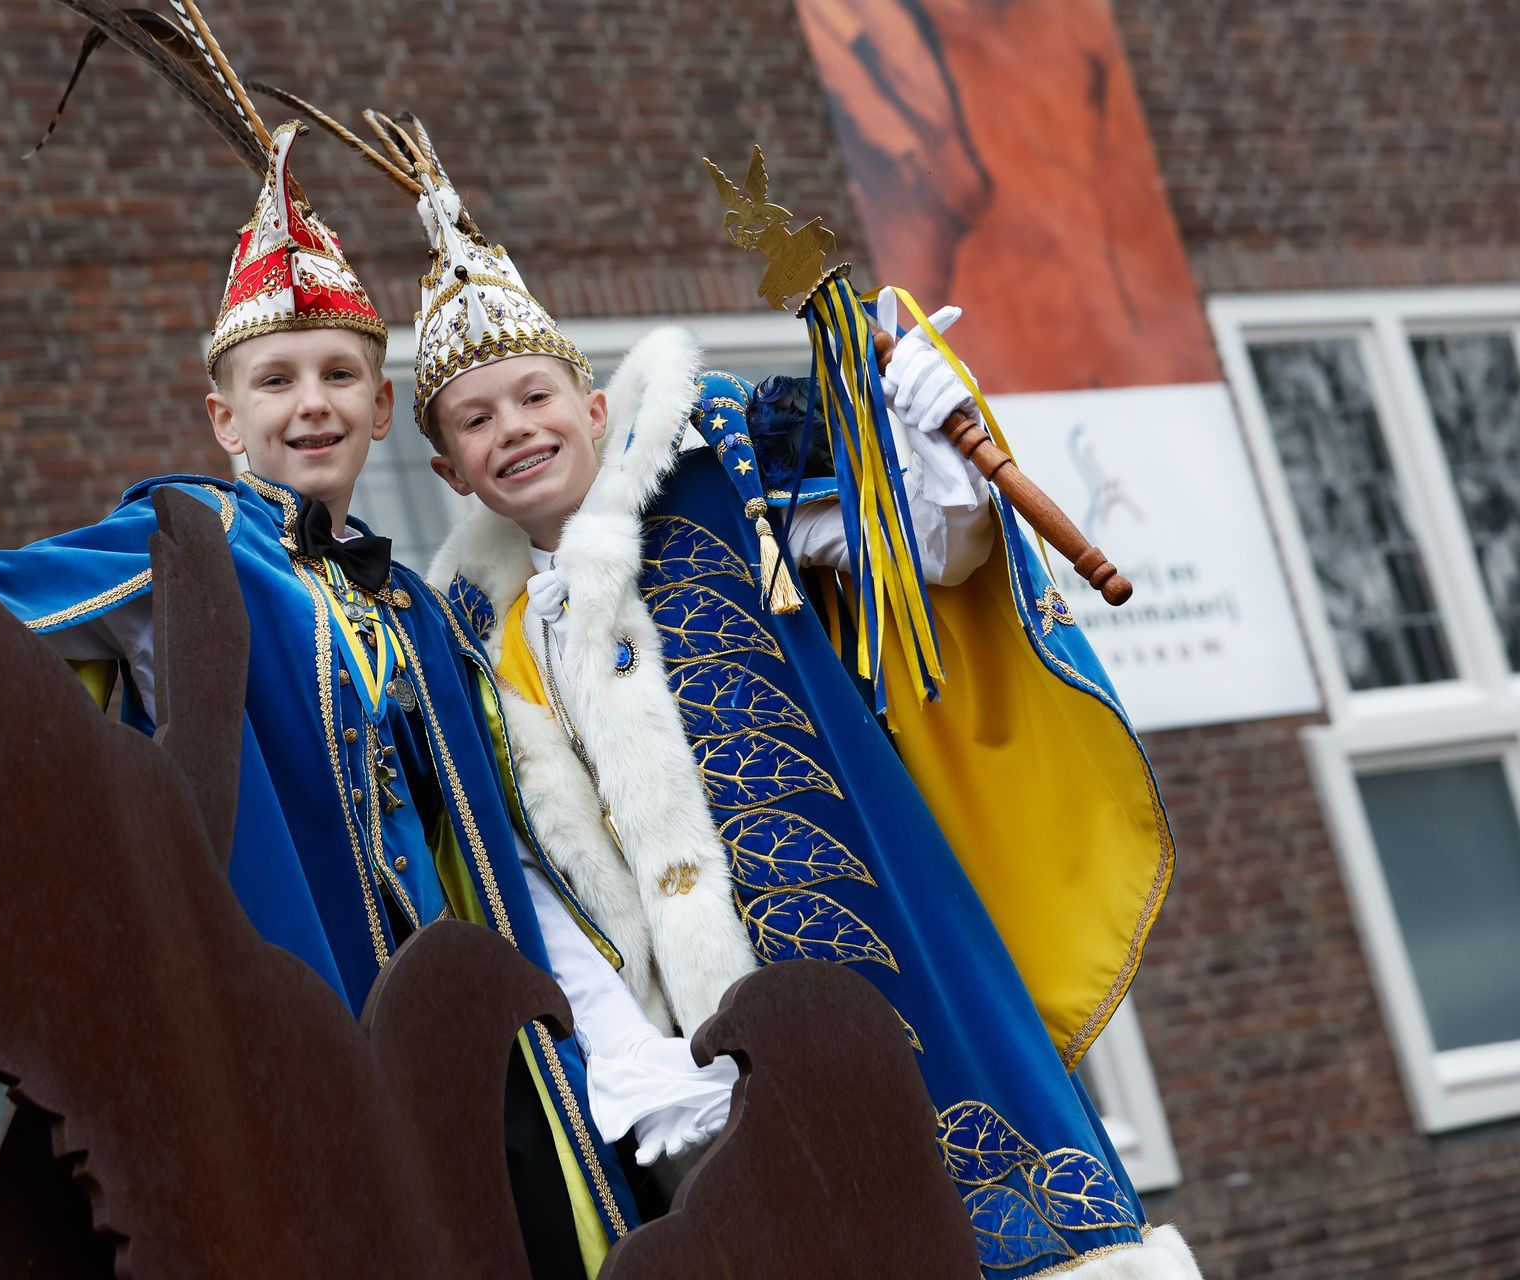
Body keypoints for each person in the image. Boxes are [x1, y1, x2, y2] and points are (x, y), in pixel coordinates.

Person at [0, 41, 734, 1277]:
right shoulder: (189, 539)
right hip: (306, 1012)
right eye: (275, 379)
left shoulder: (416, 603)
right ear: (221, 417)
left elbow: (502, 829)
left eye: (342, 373)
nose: (313, 403)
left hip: (480, 1027)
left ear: (385, 407)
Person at [314, 110, 1203, 1279]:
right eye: (475, 421)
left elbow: (925, 554)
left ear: (591, 401)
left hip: (874, 974)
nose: (513, 431)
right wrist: (633, 1061)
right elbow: (525, 875)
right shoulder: (478, 642)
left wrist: (933, 435)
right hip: (710, 1079)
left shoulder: (722, 466)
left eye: (534, 397)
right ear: (446, 471)